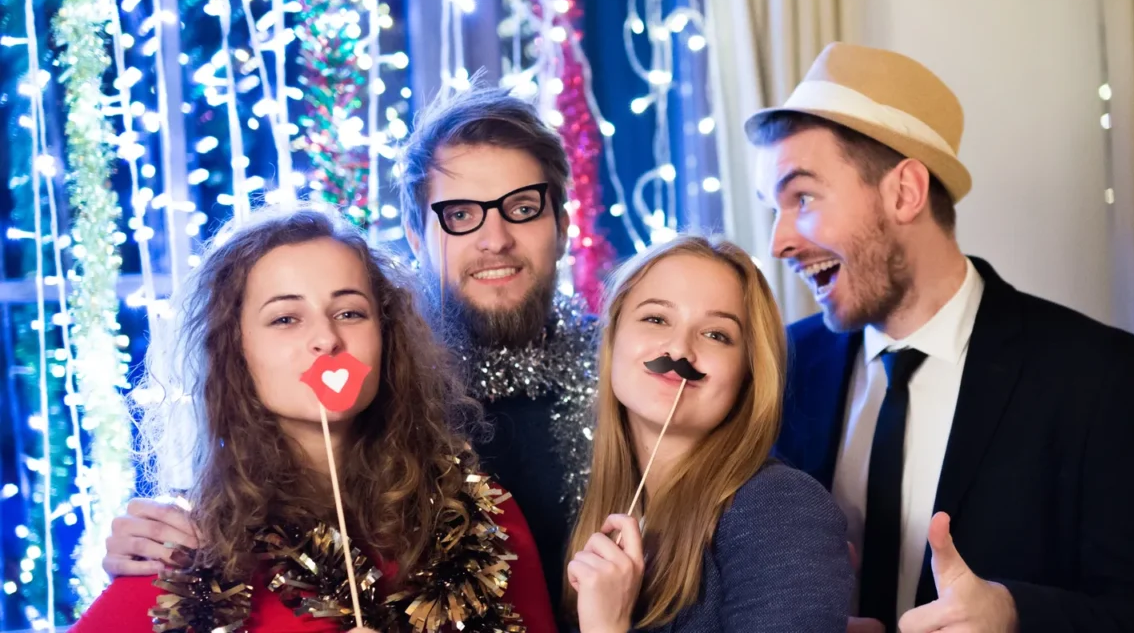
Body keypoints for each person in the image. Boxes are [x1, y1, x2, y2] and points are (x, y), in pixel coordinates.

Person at [102, 87, 598, 613]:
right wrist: (144, 547)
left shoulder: (624, 381)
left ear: (563, 225)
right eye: (459, 215)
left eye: (522, 208)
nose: (495, 239)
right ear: (415, 233)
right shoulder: (355, 392)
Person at [748, 42, 1134, 632]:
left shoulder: (1089, 374)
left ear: (904, 192)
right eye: (771, 209)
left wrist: (1014, 615)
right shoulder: (782, 364)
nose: (778, 243)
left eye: (802, 198)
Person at [74, 208, 557, 632]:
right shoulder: (190, 556)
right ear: (234, 352)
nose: (326, 339)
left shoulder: (484, 521)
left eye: (350, 312)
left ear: (387, 340)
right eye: (285, 318)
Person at [564, 236, 854, 632]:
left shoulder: (781, 508)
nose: (680, 350)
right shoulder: (594, 508)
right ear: (613, 340)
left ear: (749, 374)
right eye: (656, 319)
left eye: (716, 334)